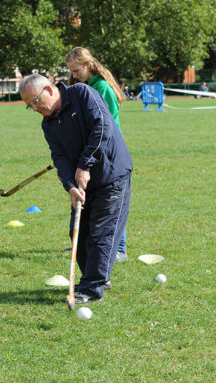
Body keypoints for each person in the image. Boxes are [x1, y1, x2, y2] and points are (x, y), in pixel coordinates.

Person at [19, 74, 132, 303]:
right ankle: (96, 277)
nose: (34, 108)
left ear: (49, 90)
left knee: (102, 233)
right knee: (78, 233)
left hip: (112, 175)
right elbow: (59, 157)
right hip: (82, 183)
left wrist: (84, 165)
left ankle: (92, 288)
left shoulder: (82, 93)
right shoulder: (48, 124)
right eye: (29, 106)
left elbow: (101, 128)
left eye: (36, 101)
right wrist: (70, 186)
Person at [65, 47, 128, 262]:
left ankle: (119, 248)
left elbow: (105, 125)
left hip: (108, 151)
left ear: (88, 65)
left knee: (112, 198)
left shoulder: (102, 88)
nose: (74, 75)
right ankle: (80, 244)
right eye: (71, 71)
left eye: (76, 70)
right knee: (87, 196)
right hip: (91, 150)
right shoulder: (84, 86)